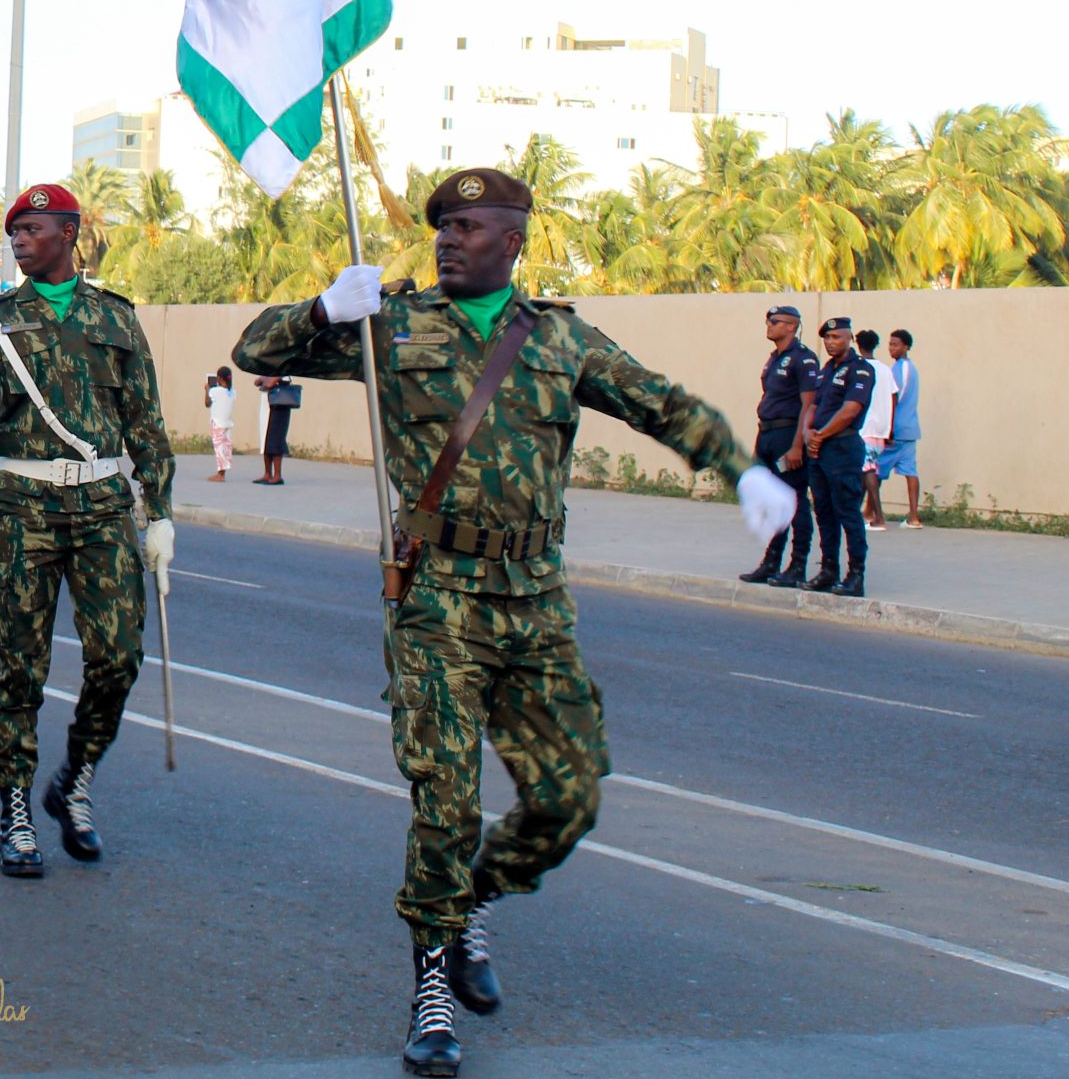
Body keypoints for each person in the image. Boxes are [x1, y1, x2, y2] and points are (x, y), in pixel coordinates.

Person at [230, 167, 794, 1079]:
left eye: (468, 225)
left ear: (514, 239)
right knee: (445, 800)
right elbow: (257, 351)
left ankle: (475, 900)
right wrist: (322, 311)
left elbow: (660, 402)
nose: (449, 238)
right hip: (436, 599)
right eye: (442, 225)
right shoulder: (395, 326)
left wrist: (742, 471)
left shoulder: (560, 338)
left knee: (568, 798)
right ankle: (433, 986)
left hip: (535, 600)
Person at [0, 182, 176, 881]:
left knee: (119, 656)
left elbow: (146, 420)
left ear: (70, 233)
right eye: (15, 233)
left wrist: (161, 513)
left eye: (32, 230)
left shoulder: (116, 317)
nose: (20, 242)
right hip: (24, 505)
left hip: (100, 509)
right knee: (20, 668)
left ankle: (77, 777)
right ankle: (16, 808)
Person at [738, 305, 820, 587]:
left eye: (774, 321)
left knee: (795, 500)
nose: (769, 325)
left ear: (791, 326)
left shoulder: (803, 359)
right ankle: (771, 563)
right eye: (768, 321)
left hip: (789, 434)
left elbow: (808, 405)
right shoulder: (774, 358)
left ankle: (797, 565)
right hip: (769, 434)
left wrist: (798, 445)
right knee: (771, 501)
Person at [805, 316, 876, 596]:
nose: (831, 343)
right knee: (824, 512)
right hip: (819, 450)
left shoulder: (860, 370)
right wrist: (809, 433)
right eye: (827, 338)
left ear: (850, 340)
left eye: (837, 338)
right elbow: (814, 406)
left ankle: (855, 575)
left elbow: (850, 411)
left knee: (848, 512)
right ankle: (828, 570)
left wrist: (820, 436)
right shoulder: (825, 372)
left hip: (842, 448)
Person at [856, 329, 897, 531]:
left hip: (865, 427)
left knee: (869, 470)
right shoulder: (885, 369)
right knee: (866, 469)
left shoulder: (859, 368)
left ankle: (879, 517)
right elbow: (893, 396)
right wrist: (890, 427)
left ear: (857, 343)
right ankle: (857, 513)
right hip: (880, 428)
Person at [884, 329, 923, 528]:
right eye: (890, 344)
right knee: (910, 471)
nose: (891, 348)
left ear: (906, 346)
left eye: (895, 344)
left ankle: (871, 514)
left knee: (874, 470)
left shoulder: (900, 368)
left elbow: (894, 397)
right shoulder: (910, 368)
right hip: (910, 429)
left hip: (897, 429)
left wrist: (888, 427)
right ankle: (914, 517)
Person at [252, 374, 300, 484]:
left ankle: (278, 475)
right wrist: (264, 380)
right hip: (268, 408)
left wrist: (265, 380)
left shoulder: (284, 371)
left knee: (277, 440)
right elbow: (257, 382)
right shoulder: (269, 371)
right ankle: (267, 473)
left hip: (280, 407)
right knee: (266, 441)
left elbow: (269, 384)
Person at [205, 366, 236, 481]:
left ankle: (220, 474)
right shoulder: (232, 392)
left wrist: (207, 390)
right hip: (227, 423)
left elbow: (207, 403)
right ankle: (223, 471)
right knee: (226, 448)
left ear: (219, 378)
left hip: (218, 423)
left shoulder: (214, 391)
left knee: (219, 448)